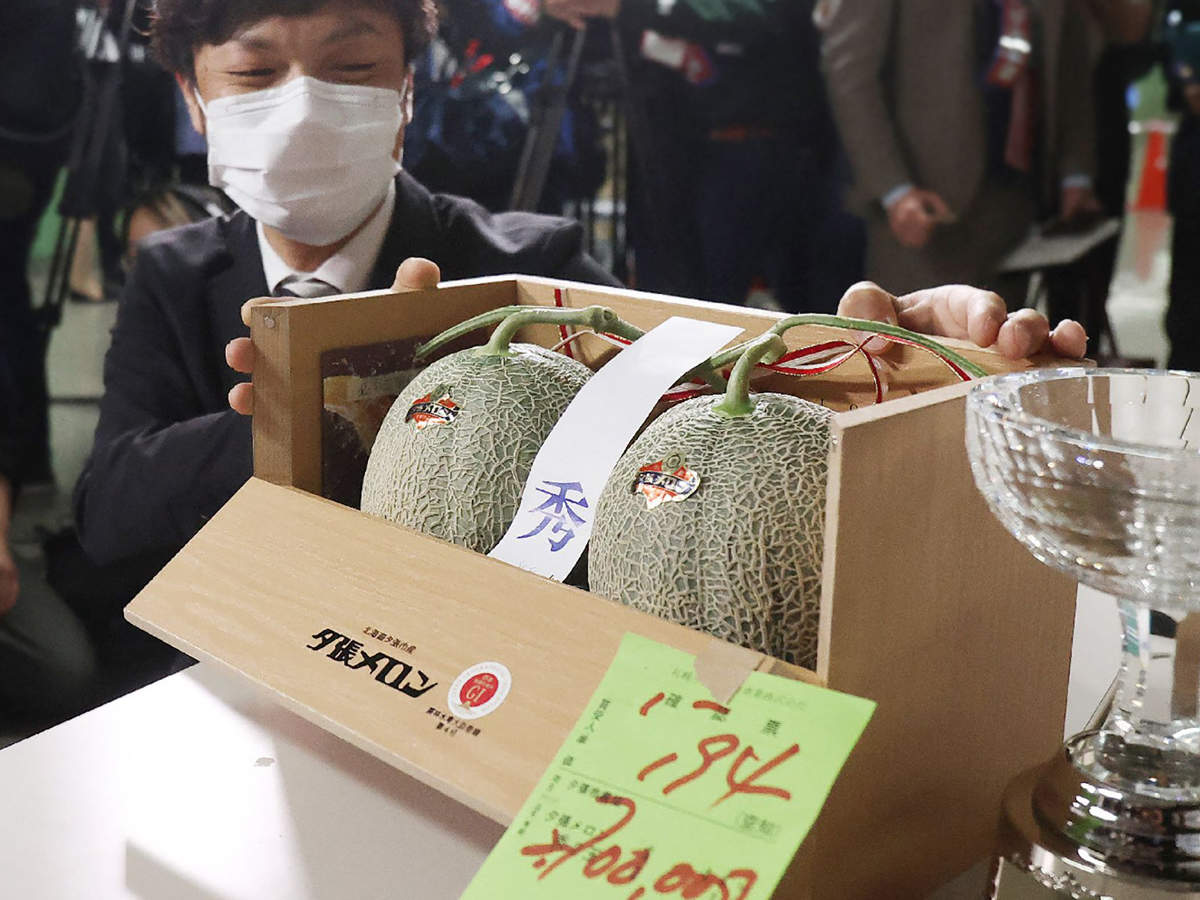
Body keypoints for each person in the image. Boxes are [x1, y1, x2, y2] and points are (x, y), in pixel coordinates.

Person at [77, 0, 1087, 607]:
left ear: (407, 93)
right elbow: (108, 517)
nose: (303, 104)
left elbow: (695, 429)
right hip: (243, 666)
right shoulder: (175, 273)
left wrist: (896, 370)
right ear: (194, 97)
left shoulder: (529, 267)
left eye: (350, 69)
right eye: (255, 73)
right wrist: (312, 410)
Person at [543, 0, 865, 313]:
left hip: (747, 146)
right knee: (666, 299)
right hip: (661, 147)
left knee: (719, 306)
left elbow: (755, 18)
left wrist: (626, 7)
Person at [819, 0, 1101, 301]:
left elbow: (1070, 67)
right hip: (925, 206)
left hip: (1017, 203)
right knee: (912, 340)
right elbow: (850, 72)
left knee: (1003, 339)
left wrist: (1076, 175)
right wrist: (895, 189)